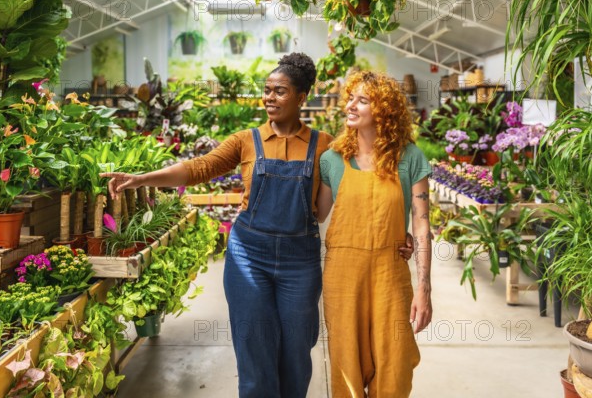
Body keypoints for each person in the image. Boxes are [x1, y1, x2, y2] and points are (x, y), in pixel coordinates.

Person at [101, 53, 333, 397]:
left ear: (302, 97)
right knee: (254, 348)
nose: (269, 97)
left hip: (301, 260)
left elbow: (335, 202)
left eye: (280, 91)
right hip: (249, 256)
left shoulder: (323, 145)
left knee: (297, 349)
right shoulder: (246, 140)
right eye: (267, 90)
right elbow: (198, 168)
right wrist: (141, 178)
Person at [317, 70, 433, 397]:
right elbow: (317, 215)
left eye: (362, 100)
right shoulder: (332, 160)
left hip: (390, 272)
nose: (350, 106)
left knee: (395, 364)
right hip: (342, 275)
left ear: (384, 110)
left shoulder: (410, 158)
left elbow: (422, 226)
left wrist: (424, 289)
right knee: (346, 366)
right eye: (350, 98)